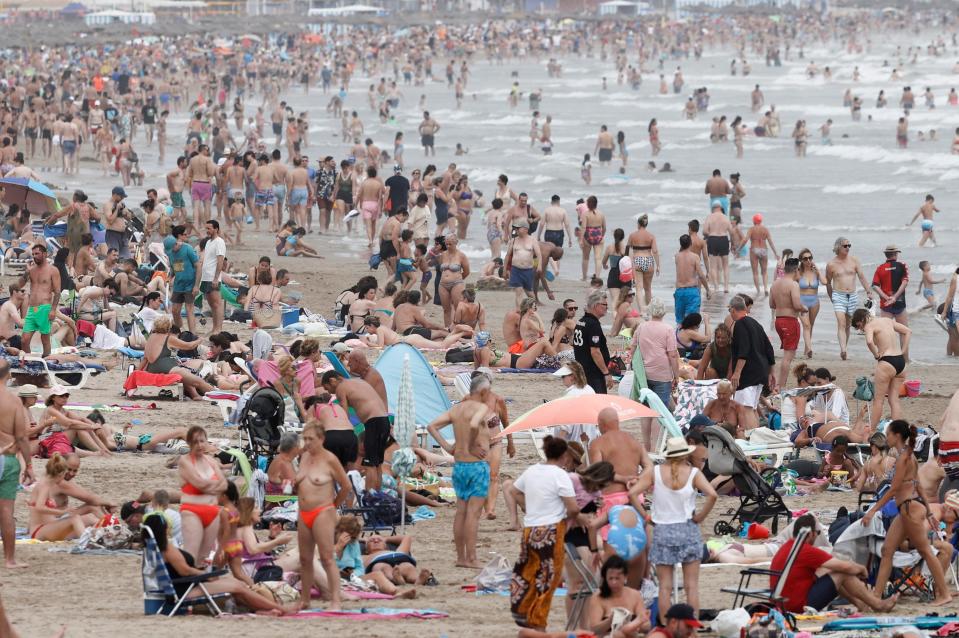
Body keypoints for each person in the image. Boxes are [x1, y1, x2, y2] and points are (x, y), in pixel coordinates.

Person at [630, 437, 716, 622]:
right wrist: (700, 516)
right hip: (687, 528)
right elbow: (712, 495)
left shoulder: (655, 472)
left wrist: (646, 516)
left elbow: (632, 494)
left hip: (663, 530)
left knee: (665, 587)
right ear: (686, 453)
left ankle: (666, 628)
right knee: (691, 586)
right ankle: (691, 627)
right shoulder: (693, 473)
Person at [509, 435, 585, 632]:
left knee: (528, 573)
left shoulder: (532, 470)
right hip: (551, 531)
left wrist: (528, 508)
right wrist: (572, 517)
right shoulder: (560, 475)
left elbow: (514, 491)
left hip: (530, 529)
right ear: (563, 456)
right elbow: (573, 508)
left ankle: (524, 613)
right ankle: (538, 623)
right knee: (548, 579)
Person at [769, 513, 895, 613]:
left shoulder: (787, 547)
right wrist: (862, 568)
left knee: (833, 572)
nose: (817, 537)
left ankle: (861, 604)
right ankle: (877, 604)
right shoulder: (806, 550)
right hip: (797, 605)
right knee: (842, 573)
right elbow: (845, 566)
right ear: (810, 534)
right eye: (817, 533)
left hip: (781, 601)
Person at [426, 375, 491, 568]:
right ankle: (472, 558)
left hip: (459, 466)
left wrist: (448, 446)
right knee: (473, 514)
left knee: (461, 512)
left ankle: (461, 558)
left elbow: (432, 426)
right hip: (476, 466)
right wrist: (471, 446)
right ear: (483, 392)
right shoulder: (480, 408)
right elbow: (473, 424)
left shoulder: (456, 409)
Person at [295, 420, 351, 611]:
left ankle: (335, 600)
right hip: (304, 512)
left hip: (322, 511)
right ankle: (305, 600)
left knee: (327, 557)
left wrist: (333, 506)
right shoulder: (304, 458)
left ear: (321, 439)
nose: (307, 443)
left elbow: (346, 486)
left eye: (311, 439)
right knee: (304, 558)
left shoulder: (329, 459)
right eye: (305, 439)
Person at [320, 371, 390, 492]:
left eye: (328, 388)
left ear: (332, 381)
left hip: (373, 422)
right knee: (377, 463)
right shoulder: (359, 382)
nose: (329, 392)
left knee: (370, 464)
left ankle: (370, 497)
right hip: (384, 420)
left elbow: (344, 414)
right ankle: (378, 496)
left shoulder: (341, 388)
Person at [852, 308, 911, 431]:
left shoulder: (869, 326)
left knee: (878, 401)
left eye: (859, 326)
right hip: (900, 361)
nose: (861, 329)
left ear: (862, 319)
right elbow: (907, 331)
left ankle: (872, 431)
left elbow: (869, 341)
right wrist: (904, 351)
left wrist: (876, 355)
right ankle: (898, 432)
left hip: (887, 362)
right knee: (894, 399)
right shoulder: (887, 320)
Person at [177, 426, 227, 561]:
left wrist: (209, 486)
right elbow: (199, 484)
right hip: (192, 511)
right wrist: (213, 486)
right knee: (191, 555)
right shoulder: (185, 461)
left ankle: (199, 582)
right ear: (189, 443)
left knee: (204, 558)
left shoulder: (210, 460)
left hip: (212, 511)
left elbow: (224, 485)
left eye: (202, 441)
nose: (199, 445)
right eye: (195, 442)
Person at [0, 360, 32, 566]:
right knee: (6, 511)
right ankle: (10, 560)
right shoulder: (13, 402)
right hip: (7, 457)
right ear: (9, 375)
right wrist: (29, 465)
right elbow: (21, 437)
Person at [728, 295, 776, 429]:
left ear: (733, 309)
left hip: (749, 373)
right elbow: (769, 349)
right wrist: (771, 372)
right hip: (761, 371)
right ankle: (756, 435)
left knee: (745, 409)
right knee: (753, 408)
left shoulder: (740, 324)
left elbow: (744, 351)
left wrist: (737, 373)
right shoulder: (756, 324)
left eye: (729, 310)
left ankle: (752, 437)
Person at [825, 236, 875, 360]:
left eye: (849, 245)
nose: (848, 248)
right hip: (838, 295)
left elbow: (862, 277)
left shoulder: (854, 261)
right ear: (838, 247)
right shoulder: (831, 264)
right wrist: (832, 297)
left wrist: (869, 291)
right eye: (845, 245)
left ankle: (844, 348)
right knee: (841, 323)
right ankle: (843, 349)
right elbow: (828, 282)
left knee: (848, 324)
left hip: (852, 295)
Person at [143, 316, 213, 400]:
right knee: (199, 382)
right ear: (168, 327)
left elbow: (145, 358)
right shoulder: (168, 338)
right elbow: (189, 346)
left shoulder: (151, 337)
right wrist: (199, 340)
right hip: (167, 368)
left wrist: (137, 372)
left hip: (151, 368)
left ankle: (195, 396)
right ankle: (217, 394)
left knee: (184, 374)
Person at [628, 298, 679, 411]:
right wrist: (676, 375)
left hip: (644, 375)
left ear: (650, 310)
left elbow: (633, 347)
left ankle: (646, 430)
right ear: (664, 312)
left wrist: (633, 365)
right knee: (659, 411)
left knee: (646, 411)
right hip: (662, 375)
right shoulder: (668, 329)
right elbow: (673, 355)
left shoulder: (641, 327)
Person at [586, 554, 650, 637]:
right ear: (605, 578)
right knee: (618, 634)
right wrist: (610, 621)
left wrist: (636, 625)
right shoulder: (598, 596)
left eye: (617, 578)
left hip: (631, 634)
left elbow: (646, 625)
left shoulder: (635, 595)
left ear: (625, 577)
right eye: (610, 578)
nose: (614, 582)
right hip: (608, 636)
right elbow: (594, 629)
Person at [769, 257, 806, 390]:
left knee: (787, 354)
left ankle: (779, 384)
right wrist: (804, 308)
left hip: (778, 321)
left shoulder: (775, 284)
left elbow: (771, 304)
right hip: (790, 321)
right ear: (796, 270)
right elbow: (796, 304)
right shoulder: (793, 284)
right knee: (788, 356)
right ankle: (781, 386)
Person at [19, 243, 61, 357]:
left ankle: (47, 360)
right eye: (33, 254)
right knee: (24, 340)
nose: (34, 256)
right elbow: (19, 285)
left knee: (45, 339)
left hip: (45, 308)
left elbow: (57, 292)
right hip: (32, 309)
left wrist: (53, 310)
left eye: (37, 253)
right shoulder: (32, 270)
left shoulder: (53, 270)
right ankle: (28, 362)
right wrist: (26, 272)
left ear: (45, 254)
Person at [573, 291, 612, 394]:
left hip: (581, 370)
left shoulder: (581, 321)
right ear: (596, 306)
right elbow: (595, 351)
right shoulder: (593, 325)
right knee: (598, 402)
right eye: (605, 305)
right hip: (593, 373)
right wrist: (606, 373)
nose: (607, 307)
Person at [195, 220, 226, 334]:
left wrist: (216, 278)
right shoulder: (208, 242)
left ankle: (219, 328)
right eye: (206, 228)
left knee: (217, 304)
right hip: (205, 277)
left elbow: (220, 260)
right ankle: (214, 327)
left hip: (213, 277)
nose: (207, 231)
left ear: (216, 229)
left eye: (209, 228)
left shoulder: (219, 242)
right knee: (212, 304)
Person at [872, 244, 909, 329]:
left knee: (886, 332)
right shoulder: (902, 265)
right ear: (896, 254)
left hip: (885, 304)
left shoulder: (880, 268)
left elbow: (875, 286)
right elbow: (904, 282)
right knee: (904, 331)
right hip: (899, 302)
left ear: (886, 255)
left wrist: (886, 297)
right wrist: (894, 297)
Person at [626, 215, 659, 311]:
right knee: (648, 288)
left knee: (639, 288)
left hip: (637, 260)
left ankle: (642, 310)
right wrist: (658, 266)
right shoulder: (651, 236)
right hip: (648, 260)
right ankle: (649, 310)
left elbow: (627, 248)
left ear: (638, 224)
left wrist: (627, 260)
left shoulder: (632, 235)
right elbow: (655, 251)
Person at [741, 213, 778, 298]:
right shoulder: (765, 229)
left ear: (753, 221)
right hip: (764, 250)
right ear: (761, 221)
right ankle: (765, 288)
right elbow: (770, 242)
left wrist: (739, 249)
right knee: (764, 272)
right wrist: (775, 253)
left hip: (754, 249)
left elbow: (745, 239)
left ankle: (758, 291)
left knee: (755, 272)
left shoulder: (751, 229)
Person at [797, 247, 822, 359]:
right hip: (802, 302)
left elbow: (825, 282)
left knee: (810, 325)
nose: (808, 260)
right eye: (805, 258)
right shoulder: (798, 272)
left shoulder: (815, 272)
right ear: (801, 260)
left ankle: (806, 349)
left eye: (810, 258)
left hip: (814, 302)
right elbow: (790, 285)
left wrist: (818, 271)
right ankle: (810, 349)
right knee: (806, 325)